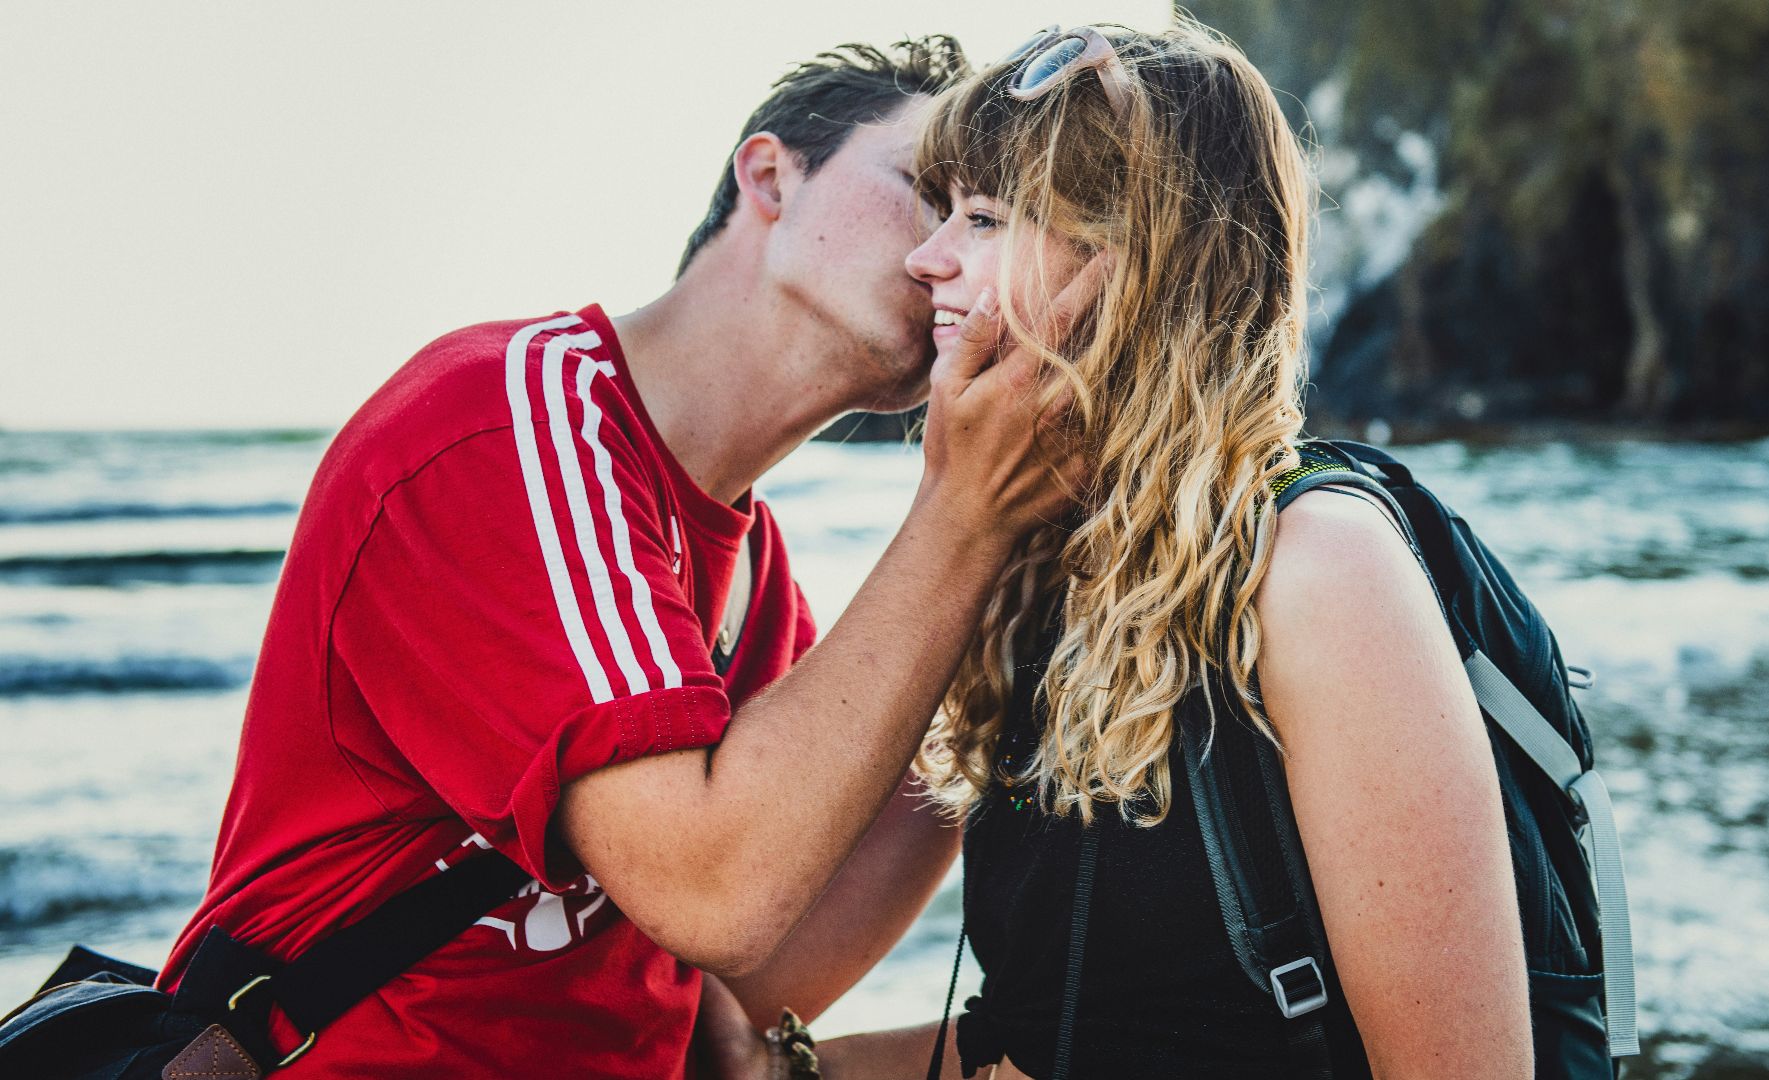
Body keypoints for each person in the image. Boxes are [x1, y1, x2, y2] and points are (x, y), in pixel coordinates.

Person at [154, 37, 1093, 1077]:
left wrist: (1007, 595)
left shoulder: (756, 574)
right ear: (770, 177)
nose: (949, 255)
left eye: (989, 221)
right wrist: (962, 514)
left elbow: (760, 971)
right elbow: (716, 891)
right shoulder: (505, 428)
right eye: (928, 190)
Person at [703, 21, 1534, 1079]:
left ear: (1137, 262)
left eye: (987, 218)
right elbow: (1075, 1035)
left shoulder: (1314, 570)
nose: (928, 258)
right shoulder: (1037, 578)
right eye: (941, 210)